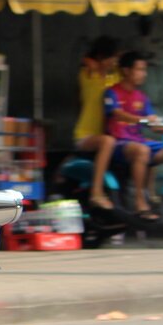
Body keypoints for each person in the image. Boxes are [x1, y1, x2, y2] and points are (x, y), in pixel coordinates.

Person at [104, 51, 163, 219]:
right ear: (126, 71)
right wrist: (143, 119)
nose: (143, 74)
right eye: (139, 69)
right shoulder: (112, 93)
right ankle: (140, 201)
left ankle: (156, 195)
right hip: (119, 143)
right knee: (143, 151)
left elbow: (153, 123)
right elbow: (116, 113)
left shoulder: (141, 97)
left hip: (138, 140)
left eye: (144, 70)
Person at [72, 36, 120, 210]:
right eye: (111, 58)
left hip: (109, 133)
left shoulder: (114, 78)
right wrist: (95, 63)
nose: (114, 62)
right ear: (100, 58)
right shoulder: (88, 76)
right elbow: (87, 61)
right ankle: (96, 192)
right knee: (108, 141)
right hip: (85, 135)